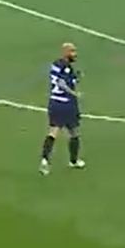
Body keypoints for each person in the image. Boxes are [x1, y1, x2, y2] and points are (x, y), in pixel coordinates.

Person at [41, 41, 84, 175]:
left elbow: (65, 80)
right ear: (65, 53)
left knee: (54, 132)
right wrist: (74, 93)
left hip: (55, 103)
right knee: (73, 132)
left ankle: (45, 161)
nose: (75, 54)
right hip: (65, 104)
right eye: (72, 51)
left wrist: (76, 78)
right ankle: (73, 161)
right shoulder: (65, 67)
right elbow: (61, 83)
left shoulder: (57, 65)